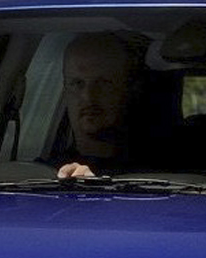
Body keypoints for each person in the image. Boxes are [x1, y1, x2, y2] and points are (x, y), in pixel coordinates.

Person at [51, 32, 142, 178]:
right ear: (65, 90)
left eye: (103, 83)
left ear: (130, 89)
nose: (88, 97)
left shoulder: (166, 174)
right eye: (77, 84)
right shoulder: (41, 175)